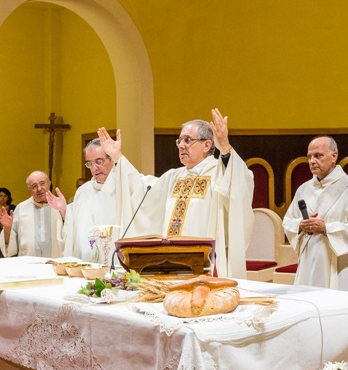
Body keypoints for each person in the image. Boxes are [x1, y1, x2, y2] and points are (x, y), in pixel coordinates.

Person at [100, 108, 254, 278]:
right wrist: (117, 157)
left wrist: (225, 148)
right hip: (168, 263)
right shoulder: (174, 176)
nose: (181, 145)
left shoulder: (219, 173)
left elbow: (240, 185)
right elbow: (141, 190)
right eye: (179, 140)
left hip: (205, 268)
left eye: (187, 140)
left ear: (207, 145)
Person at [282, 136, 348, 370]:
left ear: (334, 156)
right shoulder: (304, 189)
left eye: (318, 156)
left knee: (341, 327)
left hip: (340, 268)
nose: (312, 161)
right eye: (309, 156)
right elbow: (288, 220)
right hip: (310, 266)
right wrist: (300, 226)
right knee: (312, 325)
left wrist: (328, 228)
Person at [46, 139, 124, 264]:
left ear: (112, 159)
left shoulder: (123, 188)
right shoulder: (83, 191)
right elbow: (74, 227)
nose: (94, 168)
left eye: (99, 161)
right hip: (86, 266)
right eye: (89, 163)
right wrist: (64, 211)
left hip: (115, 263)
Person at [0, 171, 63, 257]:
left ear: (49, 184)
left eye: (42, 183)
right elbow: (10, 246)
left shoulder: (60, 206)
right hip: (28, 262)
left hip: (56, 262)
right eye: (34, 186)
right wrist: (7, 229)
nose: (39, 189)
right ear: (29, 190)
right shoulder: (21, 208)